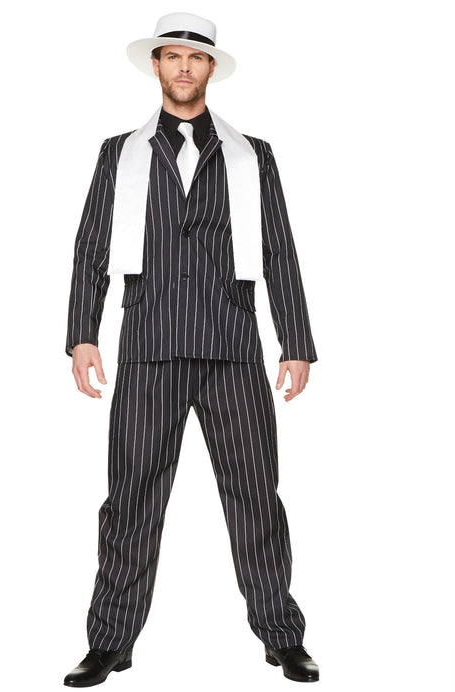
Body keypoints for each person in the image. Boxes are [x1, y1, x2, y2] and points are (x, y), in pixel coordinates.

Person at [63, 12, 320, 687]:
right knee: (130, 504)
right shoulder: (118, 152)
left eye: (195, 57)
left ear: (210, 68)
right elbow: (92, 249)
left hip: (232, 346)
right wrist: (83, 335)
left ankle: (281, 636)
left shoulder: (251, 154)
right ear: (156, 65)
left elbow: (279, 250)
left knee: (256, 500)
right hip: (147, 346)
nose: (183, 66)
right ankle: (110, 641)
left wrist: (295, 342)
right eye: (172, 56)